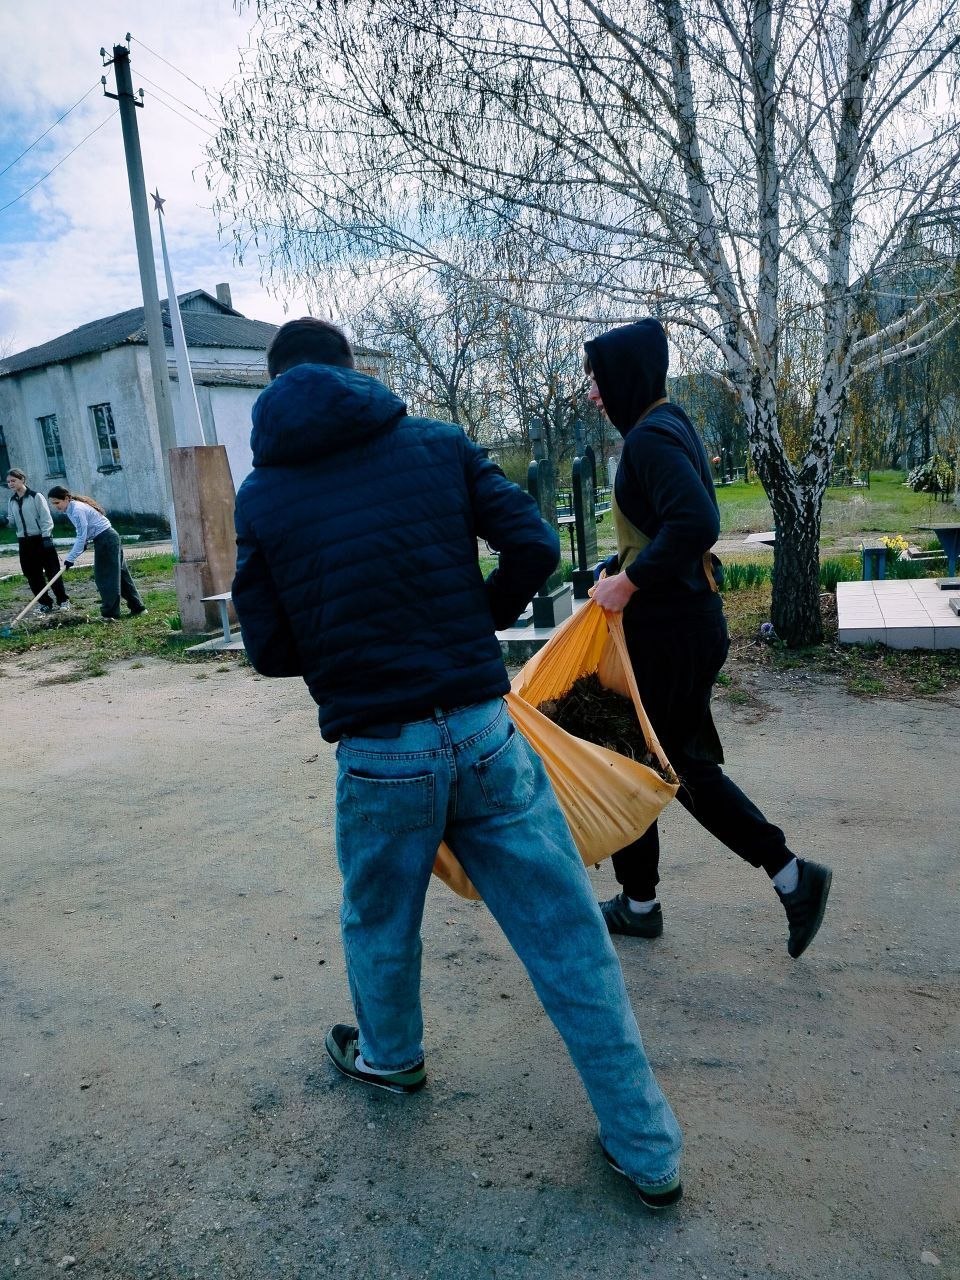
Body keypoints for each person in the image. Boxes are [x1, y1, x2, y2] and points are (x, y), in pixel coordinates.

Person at [231, 317, 683, 1209]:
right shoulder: (436, 444)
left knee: (379, 921)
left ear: (275, 387)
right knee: (569, 937)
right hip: (484, 734)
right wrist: (470, 620)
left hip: (378, 754)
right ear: (353, 373)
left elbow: (268, 647)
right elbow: (535, 546)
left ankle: (391, 1058)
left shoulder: (265, 494)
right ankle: (648, 1148)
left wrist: (353, 651)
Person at [586, 318, 832, 959]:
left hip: (670, 632)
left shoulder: (648, 439)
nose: (593, 393)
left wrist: (630, 582)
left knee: (674, 767)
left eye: (599, 379)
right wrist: (616, 568)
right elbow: (664, 525)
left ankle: (791, 876)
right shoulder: (669, 423)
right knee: (639, 760)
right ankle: (640, 903)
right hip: (685, 623)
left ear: (626, 378)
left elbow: (697, 521)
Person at [46, 486, 146, 621]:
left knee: (105, 577)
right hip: (107, 538)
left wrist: (70, 558)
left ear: (67, 498)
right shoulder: (71, 509)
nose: (55, 506)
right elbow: (85, 534)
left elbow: (81, 536)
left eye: (57, 502)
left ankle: (110, 614)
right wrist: (82, 545)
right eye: (53, 504)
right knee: (121, 576)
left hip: (106, 540)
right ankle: (138, 608)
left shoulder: (77, 510)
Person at [5, 469, 70, 613]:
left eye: (13, 480)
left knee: (52, 571)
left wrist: (46, 537)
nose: (10, 484)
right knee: (32, 574)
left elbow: (46, 519)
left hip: (41, 539)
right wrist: (6, 522)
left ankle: (63, 601)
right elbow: (11, 521)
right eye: (8, 482)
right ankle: (45, 603)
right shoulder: (11, 500)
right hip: (24, 542)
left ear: (22, 479)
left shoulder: (36, 496)